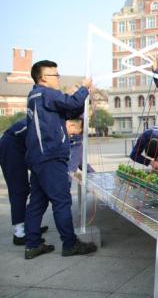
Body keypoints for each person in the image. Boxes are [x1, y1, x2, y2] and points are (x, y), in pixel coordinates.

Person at [24, 60, 97, 259]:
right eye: (55, 75)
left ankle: (32, 244)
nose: (58, 78)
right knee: (62, 201)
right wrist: (85, 88)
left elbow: (69, 110)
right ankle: (70, 244)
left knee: (37, 202)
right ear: (42, 78)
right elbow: (72, 103)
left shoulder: (35, 96)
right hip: (50, 156)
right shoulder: (46, 93)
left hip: (38, 158)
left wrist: (82, 100)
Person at [0, 120, 48, 245]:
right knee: (18, 189)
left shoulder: (48, 118)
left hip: (19, 146)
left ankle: (29, 227)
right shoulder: (42, 120)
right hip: (11, 146)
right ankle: (19, 233)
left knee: (27, 188)